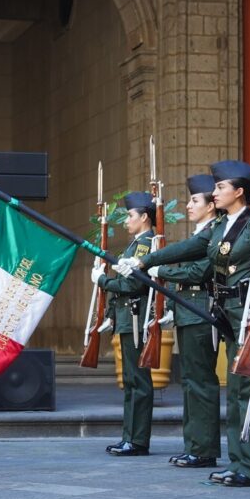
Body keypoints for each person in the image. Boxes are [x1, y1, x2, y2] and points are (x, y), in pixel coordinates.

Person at [122, 160, 250, 486]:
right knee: (235, 390)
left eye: (220, 187)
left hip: (245, 313)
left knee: (249, 391)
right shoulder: (220, 228)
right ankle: (238, 462)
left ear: (238, 191)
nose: (215, 191)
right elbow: (188, 247)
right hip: (227, 313)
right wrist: (145, 260)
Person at [145, 174, 219, 468]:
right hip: (188, 310)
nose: (188, 205)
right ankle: (195, 444)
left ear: (211, 205)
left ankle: (203, 449)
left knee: (200, 382)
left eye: (194, 200)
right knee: (190, 381)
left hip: (201, 309)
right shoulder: (200, 232)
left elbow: (200, 272)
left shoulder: (213, 232)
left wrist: (162, 272)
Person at [92, 191, 155, 456]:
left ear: (144, 217)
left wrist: (103, 281)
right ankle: (129, 436)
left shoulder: (146, 244)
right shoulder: (134, 245)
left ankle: (137, 440)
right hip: (127, 318)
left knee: (138, 380)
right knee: (130, 380)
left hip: (136, 318)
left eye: (130, 215)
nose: (126, 221)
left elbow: (132, 284)